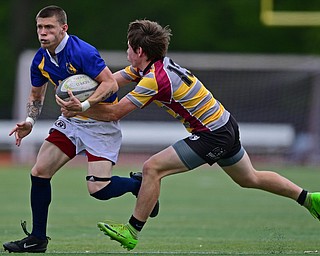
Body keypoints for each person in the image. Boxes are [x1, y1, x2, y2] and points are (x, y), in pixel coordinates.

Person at [57, 19, 320, 251]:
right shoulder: (149, 67)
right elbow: (111, 83)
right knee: (250, 178)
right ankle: (310, 199)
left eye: (128, 47)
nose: (126, 52)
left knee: (152, 168)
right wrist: (86, 97)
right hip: (225, 124)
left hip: (213, 134)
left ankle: (132, 231)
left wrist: (81, 109)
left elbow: (115, 113)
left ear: (139, 51)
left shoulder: (154, 79)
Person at [3, 8, 159, 254]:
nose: (43, 33)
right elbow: (36, 95)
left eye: (49, 28)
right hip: (72, 123)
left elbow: (108, 84)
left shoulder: (82, 52)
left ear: (64, 28)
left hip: (100, 125)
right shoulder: (40, 59)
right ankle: (37, 238)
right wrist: (29, 122)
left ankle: (135, 185)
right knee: (39, 172)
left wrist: (84, 105)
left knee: (99, 190)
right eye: (40, 28)